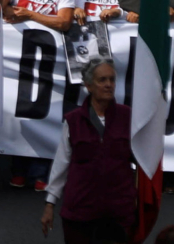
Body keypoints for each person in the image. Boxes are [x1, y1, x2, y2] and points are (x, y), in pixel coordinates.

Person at [41, 58, 139, 243]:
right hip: (80, 212)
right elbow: (61, 164)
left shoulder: (128, 117)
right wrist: (50, 203)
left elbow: (143, 160)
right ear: (88, 86)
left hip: (118, 212)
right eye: (102, 80)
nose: (109, 85)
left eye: (112, 80)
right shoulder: (73, 121)